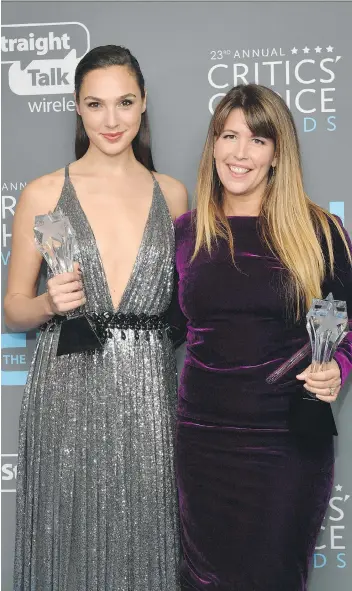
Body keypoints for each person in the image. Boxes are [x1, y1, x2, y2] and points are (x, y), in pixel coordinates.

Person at [6, 45, 188, 591]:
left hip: (151, 398)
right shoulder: (43, 192)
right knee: (66, 546)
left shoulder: (173, 194)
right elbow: (12, 307)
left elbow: (194, 309)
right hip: (66, 394)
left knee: (148, 548)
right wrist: (45, 304)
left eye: (124, 103)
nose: (112, 120)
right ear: (78, 109)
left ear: (143, 105)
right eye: (96, 104)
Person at [173, 84, 352, 590]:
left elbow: (348, 323)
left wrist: (337, 367)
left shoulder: (321, 232)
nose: (240, 153)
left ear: (277, 154)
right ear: (213, 145)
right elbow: (166, 327)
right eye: (228, 136)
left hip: (288, 442)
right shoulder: (188, 233)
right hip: (203, 441)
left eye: (257, 140)